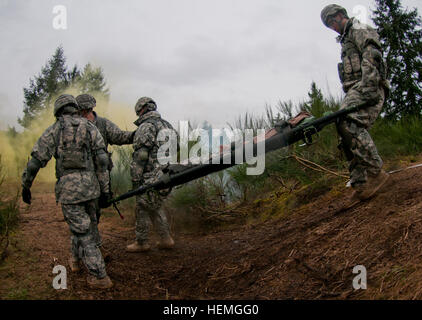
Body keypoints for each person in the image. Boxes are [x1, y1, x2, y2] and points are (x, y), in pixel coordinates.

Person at [21, 94, 113, 289]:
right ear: (74, 108)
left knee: (83, 231)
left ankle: (99, 276)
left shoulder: (55, 129)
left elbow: (36, 161)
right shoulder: (91, 128)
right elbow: (102, 162)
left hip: (69, 191)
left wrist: (26, 185)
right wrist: (106, 191)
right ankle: (76, 262)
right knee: (88, 227)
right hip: (91, 188)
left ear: (58, 111)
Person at [320, 4, 391, 204]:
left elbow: (372, 55)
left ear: (340, 15)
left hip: (369, 86)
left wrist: (369, 87)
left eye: (332, 22)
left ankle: (376, 174)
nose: (332, 27)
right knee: (343, 129)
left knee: (348, 122)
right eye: (328, 25)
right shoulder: (345, 40)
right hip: (356, 90)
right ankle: (361, 183)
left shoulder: (359, 29)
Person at [76, 94, 135, 258]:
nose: (83, 114)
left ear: (89, 109)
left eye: (84, 111)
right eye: (80, 111)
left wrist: (137, 134)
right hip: (79, 180)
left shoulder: (102, 124)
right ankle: (87, 252)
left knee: (95, 214)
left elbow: (120, 136)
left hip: (99, 179)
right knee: (81, 216)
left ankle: (89, 249)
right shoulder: (74, 126)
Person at [126, 97, 175, 252]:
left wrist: (135, 179)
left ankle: (141, 242)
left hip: (150, 175)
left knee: (142, 205)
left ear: (141, 110)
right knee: (155, 205)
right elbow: (176, 148)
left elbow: (141, 156)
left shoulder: (146, 126)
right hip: (168, 174)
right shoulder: (168, 125)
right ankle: (165, 239)